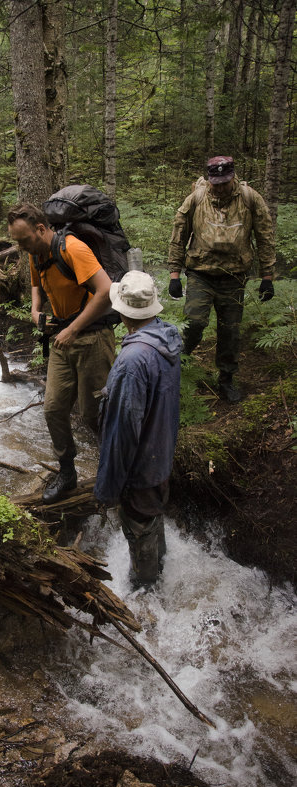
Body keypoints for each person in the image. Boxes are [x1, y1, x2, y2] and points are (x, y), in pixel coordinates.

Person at [7, 202, 115, 503]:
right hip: (61, 340)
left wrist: (74, 329)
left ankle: (117, 466)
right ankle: (67, 472)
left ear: (41, 229)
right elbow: (35, 285)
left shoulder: (73, 249)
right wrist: (35, 311)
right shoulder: (36, 253)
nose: (21, 246)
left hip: (93, 339)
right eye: (16, 241)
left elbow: (106, 291)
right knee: (53, 409)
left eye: (24, 239)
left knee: (95, 416)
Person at [94, 271, 181, 590]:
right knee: (153, 519)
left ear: (121, 311)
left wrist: (106, 489)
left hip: (140, 469)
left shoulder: (132, 361)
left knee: (140, 528)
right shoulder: (166, 338)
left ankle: (148, 598)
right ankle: (159, 574)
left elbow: (122, 435)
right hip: (160, 457)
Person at [168, 156, 276, 403]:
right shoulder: (196, 198)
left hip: (233, 276)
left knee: (230, 331)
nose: (219, 188)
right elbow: (178, 235)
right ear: (209, 180)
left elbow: (265, 237)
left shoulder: (250, 198)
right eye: (215, 183)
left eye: (224, 183)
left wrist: (267, 276)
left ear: (232, 178)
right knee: (194, 322)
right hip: (200, 273)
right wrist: (174, 274)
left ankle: (226, 379)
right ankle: (178, 363)